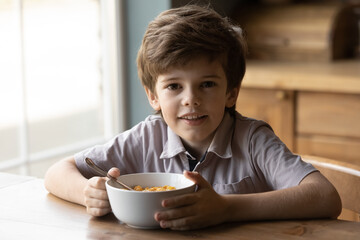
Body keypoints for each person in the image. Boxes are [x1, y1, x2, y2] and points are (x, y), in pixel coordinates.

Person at [44, 5, 341, 231]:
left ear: (231, 93)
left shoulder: (252, 140)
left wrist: (226, 208)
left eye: (207, 84)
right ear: (153, 97)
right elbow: (57, 172)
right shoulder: (146, 137)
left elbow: (325, 197)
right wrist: (87, 193)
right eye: (174, 86)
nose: (191, 99)